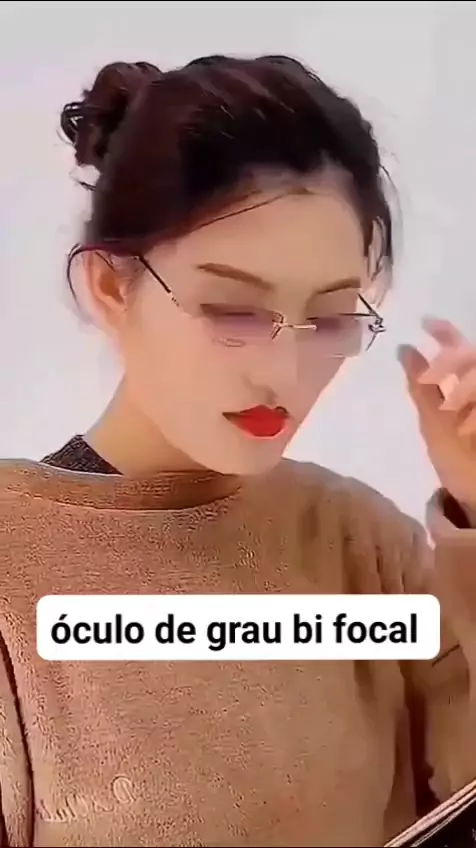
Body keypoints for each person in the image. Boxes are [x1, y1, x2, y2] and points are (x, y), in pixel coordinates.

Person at [1, 54, 476, 848]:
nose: (284, 373)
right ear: (112, 289)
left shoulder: (363, 547)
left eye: (330, 317)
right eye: (232, 309)